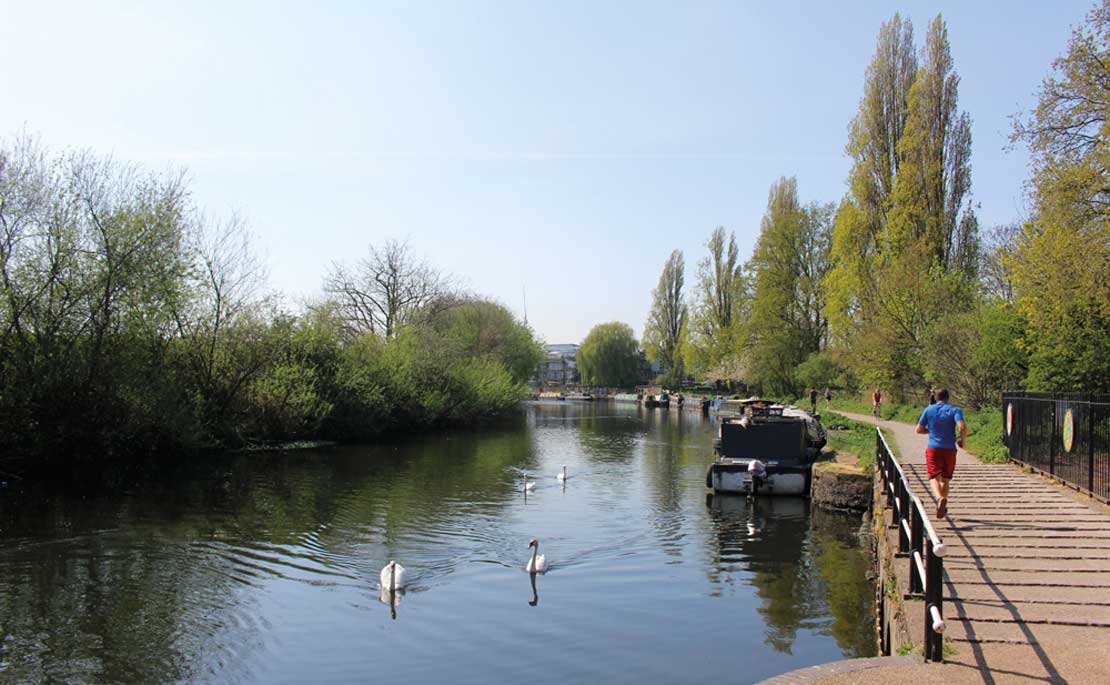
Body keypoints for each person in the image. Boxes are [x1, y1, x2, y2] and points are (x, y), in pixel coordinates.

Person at [915, 388, 966, 519]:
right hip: (950, 449)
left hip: (933, 448)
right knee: (945, 479)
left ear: (935, 398)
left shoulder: (928, 410)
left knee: (933, 477)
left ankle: (939, 499)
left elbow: (919, 430)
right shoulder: (955, 410)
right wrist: (962, 440)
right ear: (948, 398)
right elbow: (962, 427)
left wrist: (930, 431)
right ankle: (942, 506)